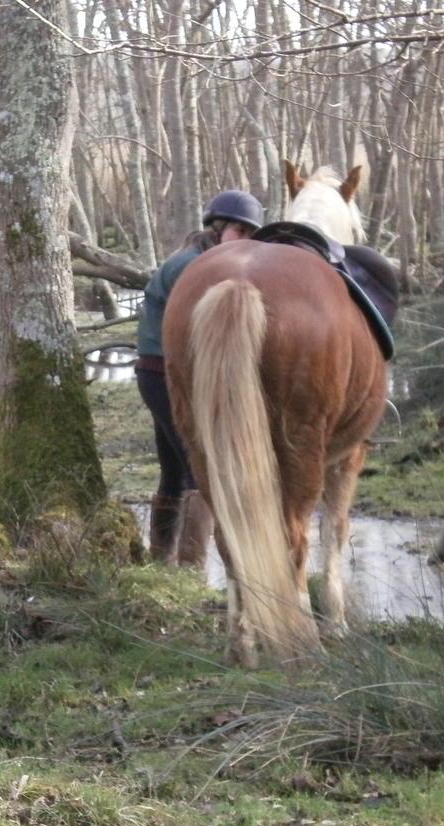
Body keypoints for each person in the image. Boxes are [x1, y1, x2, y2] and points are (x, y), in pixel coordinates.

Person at [135, 190, 265, 567]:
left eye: (249, 234)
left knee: (173, 470)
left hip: (156, 373)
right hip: (167, 374)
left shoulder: (191, 259)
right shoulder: (192, 267)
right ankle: (191, 568)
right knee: (198, 469)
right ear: (218, 228)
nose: (243, 240)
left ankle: (161, 561)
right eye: (239, 231)